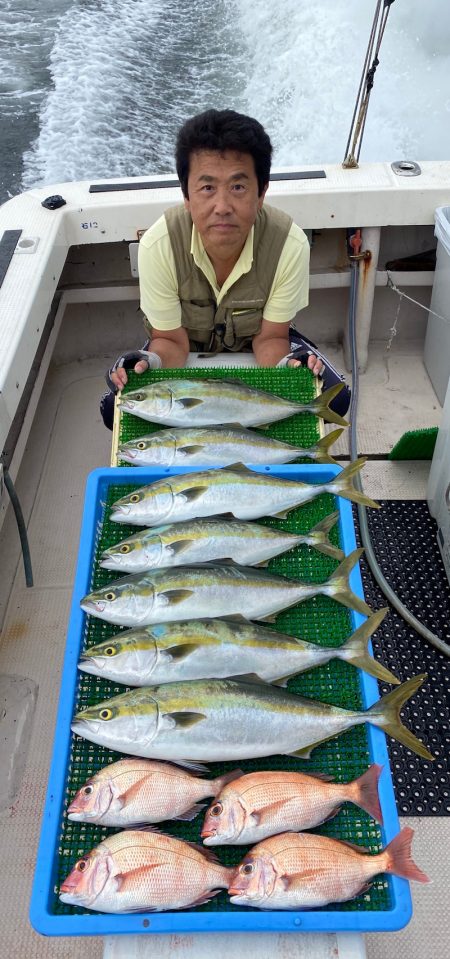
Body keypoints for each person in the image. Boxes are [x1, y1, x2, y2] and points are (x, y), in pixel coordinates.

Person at [100, 109, 350, 428]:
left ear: (261, 192)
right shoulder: (158, 245)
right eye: (207, 188)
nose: (222, 207)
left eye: (238, 187)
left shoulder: (289, 244)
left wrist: (287, 367)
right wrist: (149, 361)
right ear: (186, 195)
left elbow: (271, 337)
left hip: (259, 341)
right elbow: (171, 341)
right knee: (113, 408)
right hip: (184, 342)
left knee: (335, 399)